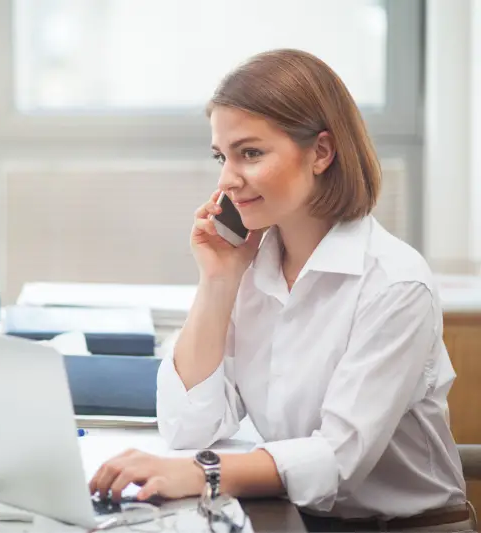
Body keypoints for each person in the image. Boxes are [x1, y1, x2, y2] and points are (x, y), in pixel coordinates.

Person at [88, 49, 474, 532]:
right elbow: (190, 427)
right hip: (293, 516)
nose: (227, 180)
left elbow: (337, 457)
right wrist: (218, 279)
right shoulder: (252, 265)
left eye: (250, 153)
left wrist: (199, 474)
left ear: (321, 153)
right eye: (222, 156)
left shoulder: (395, 283)